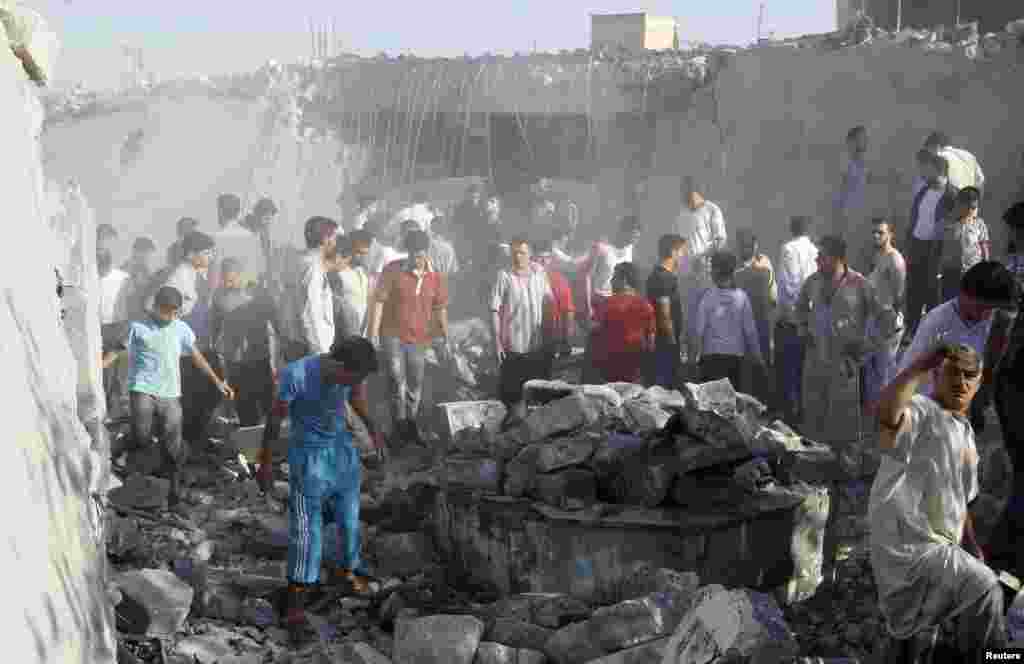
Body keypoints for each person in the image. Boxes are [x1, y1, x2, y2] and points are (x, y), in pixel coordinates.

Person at [869, 344, 1007, 659]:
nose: (961, 381)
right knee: (984, 589)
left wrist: (972, 547)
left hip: (939, 544)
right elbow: (887, 416)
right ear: (935, 376)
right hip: (907, 547)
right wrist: (917, 367)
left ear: (980, 380)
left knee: (922, 630)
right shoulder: (921, 410)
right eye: (952, 373)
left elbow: (962, 502)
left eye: (969, 375)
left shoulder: (966, 433)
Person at [275, 336, 382, 643]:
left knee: (349, 522)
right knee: (308, 533)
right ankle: (295, 605)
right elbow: (275, 418)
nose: (356, 383)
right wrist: (265, 463)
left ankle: (347, 573)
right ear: (338, 364)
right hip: (308, 458)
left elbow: (357, 398)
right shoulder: (295, 375)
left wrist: (373, 429)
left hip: (342, 455)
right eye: (354, 377)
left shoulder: (350, 374)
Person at [122, 286, 233, 514]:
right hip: (142, 389)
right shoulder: (137, 327)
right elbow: (117, 350)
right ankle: (128, 449)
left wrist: (217, 381)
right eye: (166, 312)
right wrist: (99, 364)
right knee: (142, 436)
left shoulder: (180, 328)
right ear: (156, 307)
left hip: (170, 394)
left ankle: (173, 494)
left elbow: (197, 356)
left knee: (172, 447)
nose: (170, 317)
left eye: (174, 312)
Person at [796, 235, 884, 475]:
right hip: (815, 362)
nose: (817, 260)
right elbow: (800, 308)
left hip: (844, 365)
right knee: (814, 416)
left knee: (845, 421)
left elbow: (889, 320)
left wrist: (867, 347)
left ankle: (847, 473)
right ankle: (816, 469)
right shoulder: (812, 283)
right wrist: (803, 331)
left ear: (839, 259)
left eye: (822, 256)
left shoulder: (860, 285)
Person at [896, 261, 1016, 430]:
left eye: (990, 309)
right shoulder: (938, 323)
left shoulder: (992, 323)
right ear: (964, 294)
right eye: (981, 307)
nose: (986, 314)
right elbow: (908, 373)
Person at [368, 230, 450, 446]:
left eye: (421, 255)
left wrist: (444, 335)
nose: (417, 259)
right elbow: (379, 302)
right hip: (392, 335)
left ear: (427, 253)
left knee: (415, 384)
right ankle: (398, 427)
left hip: (419, 338)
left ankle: (410, 426)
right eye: (413, 254)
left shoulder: (436, 276)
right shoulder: (392, 270)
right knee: (397, 382)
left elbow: (440, 307)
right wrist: (373, 333)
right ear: (408, 252)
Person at [209, 257, 282, 433]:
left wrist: (281, 347)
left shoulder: (259, 293)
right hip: (235, 361)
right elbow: (215, 326)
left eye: (231, 279)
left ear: (241, 275)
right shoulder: (219, 296)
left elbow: (276, 321)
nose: (228, 282)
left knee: (267, 403)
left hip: (259, 357)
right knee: (244, 405)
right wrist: (216, 352)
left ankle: (273, 441)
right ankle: (251, 443)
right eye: (225, 278)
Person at [491, 237, 555, 427]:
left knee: (537, 402)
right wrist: (497, 342)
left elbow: (549, 302)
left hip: (537, 347)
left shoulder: (539, 273)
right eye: (514, 253)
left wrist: (554, 336)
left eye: (522, 253)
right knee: (514, 403)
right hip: (513, 348)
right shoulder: (504, 276)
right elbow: (494, 310)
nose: (517, 257)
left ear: (530, 254)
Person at [904, 151, 958, 339]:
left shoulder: (952, 196)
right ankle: (911, 329)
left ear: (939, 171)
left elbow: (955, 227)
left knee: (933, 291)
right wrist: (908, 241)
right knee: (913, 289)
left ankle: (932, 334)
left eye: (928, 169)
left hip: (936, 249)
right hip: (917, 245)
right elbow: (914, 217)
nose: (924, 173)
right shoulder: (924, 191)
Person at [693, 251, 765, 389]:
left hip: (710, 360)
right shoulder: (742, 298)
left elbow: (698, 332)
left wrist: (692, 360)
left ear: (716, 271)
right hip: (734, 361)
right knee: (730, 404)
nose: (710, 272)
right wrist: (758, 358)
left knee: (710, 404)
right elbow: (750, 332)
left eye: (711, 268)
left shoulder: (707, 297)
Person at [676, 177, 727, 350]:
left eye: (683, 190)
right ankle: (691, 363)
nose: (681, 195)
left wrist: (704, 257)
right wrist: (680, 268)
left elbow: (720, 241)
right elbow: (678, 245)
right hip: (686, 277)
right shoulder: (681, 213)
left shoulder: (712, 210)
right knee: (689, 322)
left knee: (709, 320)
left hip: (707, 276)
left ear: (693, 190)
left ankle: (708, 362)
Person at [775, 216, 818, 422]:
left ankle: (791, 414)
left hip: (792, 319)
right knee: (805, 367)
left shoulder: (788, 249)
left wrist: (786, 312)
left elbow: (786, 284)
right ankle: (805, 412)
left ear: (791, 229)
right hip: (811, 317)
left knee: (789, 367)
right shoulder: (816, 251)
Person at [862, 218, 906, 411]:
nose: (876, 236)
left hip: (888, 318)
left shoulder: (895, 259)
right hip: (874, 317)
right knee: (871, 366)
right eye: (874, 232)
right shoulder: (878, 256)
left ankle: (887, 410)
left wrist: (891, 319)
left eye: (881, 232)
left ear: (890, 234)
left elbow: (900, 294)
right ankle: (874, 408)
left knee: (885, 368)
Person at [591, 262, 655, 383]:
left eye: (614, 277)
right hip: (634, 367)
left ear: (624, 280)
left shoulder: (606, 304)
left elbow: (594, 333)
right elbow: (651, 343)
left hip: (609, 368)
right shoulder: (646, 306)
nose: (611, 281)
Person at [646, 234, 688, 388]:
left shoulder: (662, 276)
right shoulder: (663, 278)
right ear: (673, 252)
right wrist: (672, 341)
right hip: (664, 343)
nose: (684, 257)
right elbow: (664, 314)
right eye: (682, 252)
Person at [936, 186, 990, 303]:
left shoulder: (979, 224)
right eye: (969, 207)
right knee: (950, 305)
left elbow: (984, 248)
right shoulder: (946, 223)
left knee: (970, 304)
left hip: (972, 272)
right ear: (959, 204)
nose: (972, 210)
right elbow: (938, 245)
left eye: (974, 207)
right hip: (951, 273)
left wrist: (985, 271)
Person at [296, 216, 339, 356]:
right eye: (333, 237)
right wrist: (319, 350)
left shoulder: (306, 263)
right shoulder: (312, 267)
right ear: (325, 239)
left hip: (312, 342)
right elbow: (310, 310)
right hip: (316, 346)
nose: (335, 242)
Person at [733, 228, 776, 368]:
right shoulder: (765, 266)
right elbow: (774, 297)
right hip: (760, 325)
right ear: (755, 246)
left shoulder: (733, 271)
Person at [832, 125, 870, 238]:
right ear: (852, 142)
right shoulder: (846, 165)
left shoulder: (863, 165)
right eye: (862, 139)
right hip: (849, 219)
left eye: (866, 139)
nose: (866, 142)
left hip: (861, 218)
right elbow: (839, 195)